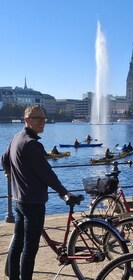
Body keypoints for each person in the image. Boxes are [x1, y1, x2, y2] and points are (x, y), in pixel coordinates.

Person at [1, 105, 73, 280]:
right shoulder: (32, 144)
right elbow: (47, 174)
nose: (42, 122)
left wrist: (9, 173)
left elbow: (4, 159)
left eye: (44, 118)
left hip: (19, 201)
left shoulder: (17, 137)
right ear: (27, 120)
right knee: (30, 248)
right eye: (37, 118)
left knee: (18, 241)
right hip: (33, 203)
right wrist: (64, 193)